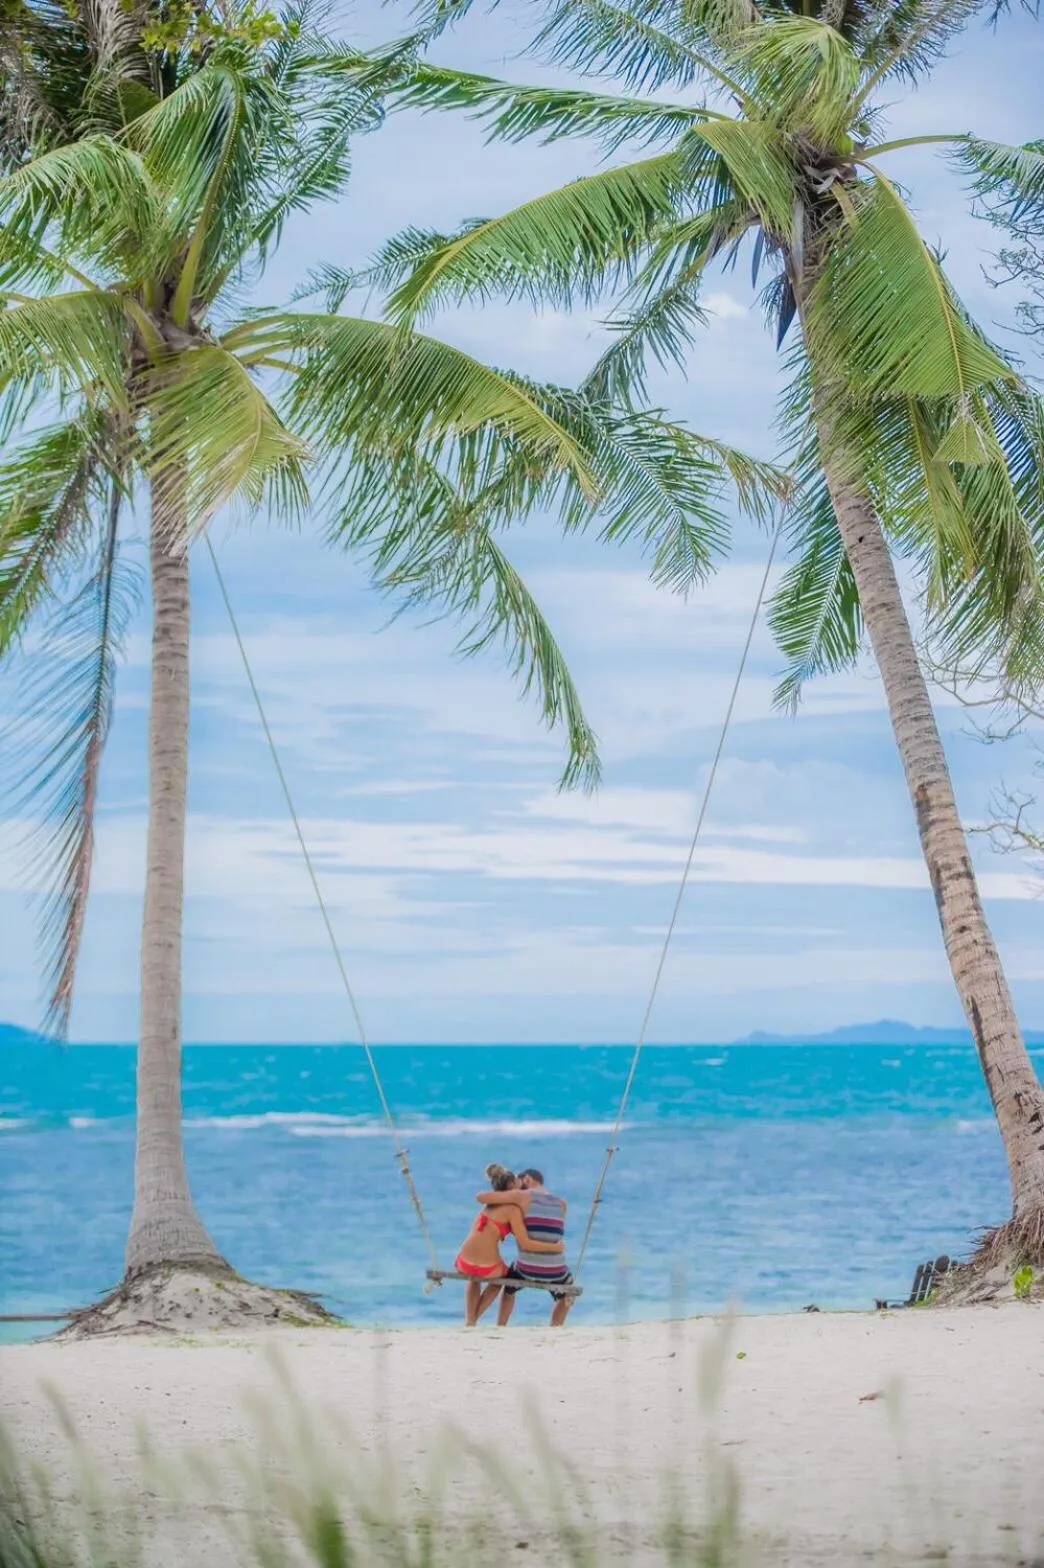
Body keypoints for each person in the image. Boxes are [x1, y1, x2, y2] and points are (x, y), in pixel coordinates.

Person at [454, 1163, 564, 1327]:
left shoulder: (488, 1206)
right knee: (501, 1279)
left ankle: (469, 1321)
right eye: (519, 1183)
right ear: (512, 1185)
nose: (523, 1186)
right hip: (487, 1266)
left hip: (463, 1261)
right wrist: (555, 1247)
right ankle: (473, 1320)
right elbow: (526, 1242)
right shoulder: (513, 1210)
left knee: (474, 1279)